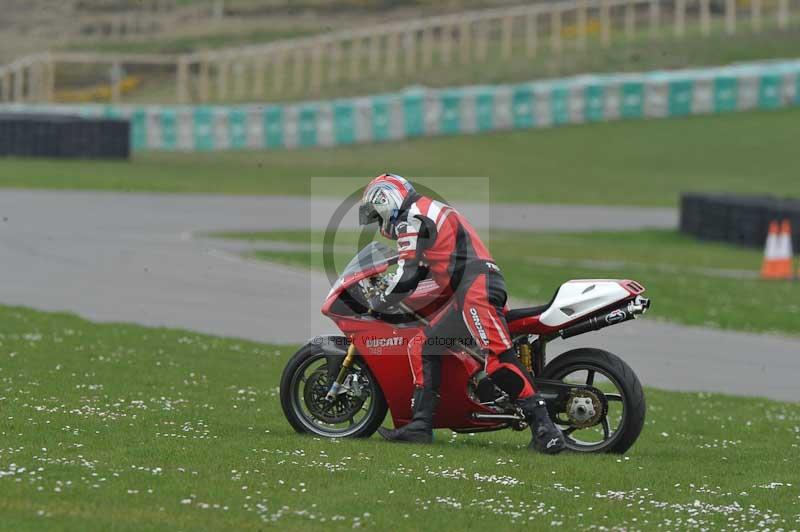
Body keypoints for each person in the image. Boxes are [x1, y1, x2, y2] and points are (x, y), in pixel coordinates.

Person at [357, 173, 565, 454]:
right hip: (469, 289)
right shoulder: (425, 210)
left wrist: (380, 301)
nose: (378, 223)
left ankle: (546, 431)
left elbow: (408, 273)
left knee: (498, 360)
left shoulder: (411, 217)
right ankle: (419, 426)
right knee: (424, 345)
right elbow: (425, 270)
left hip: (475, 289)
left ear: (385, 201)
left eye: (375, 214)